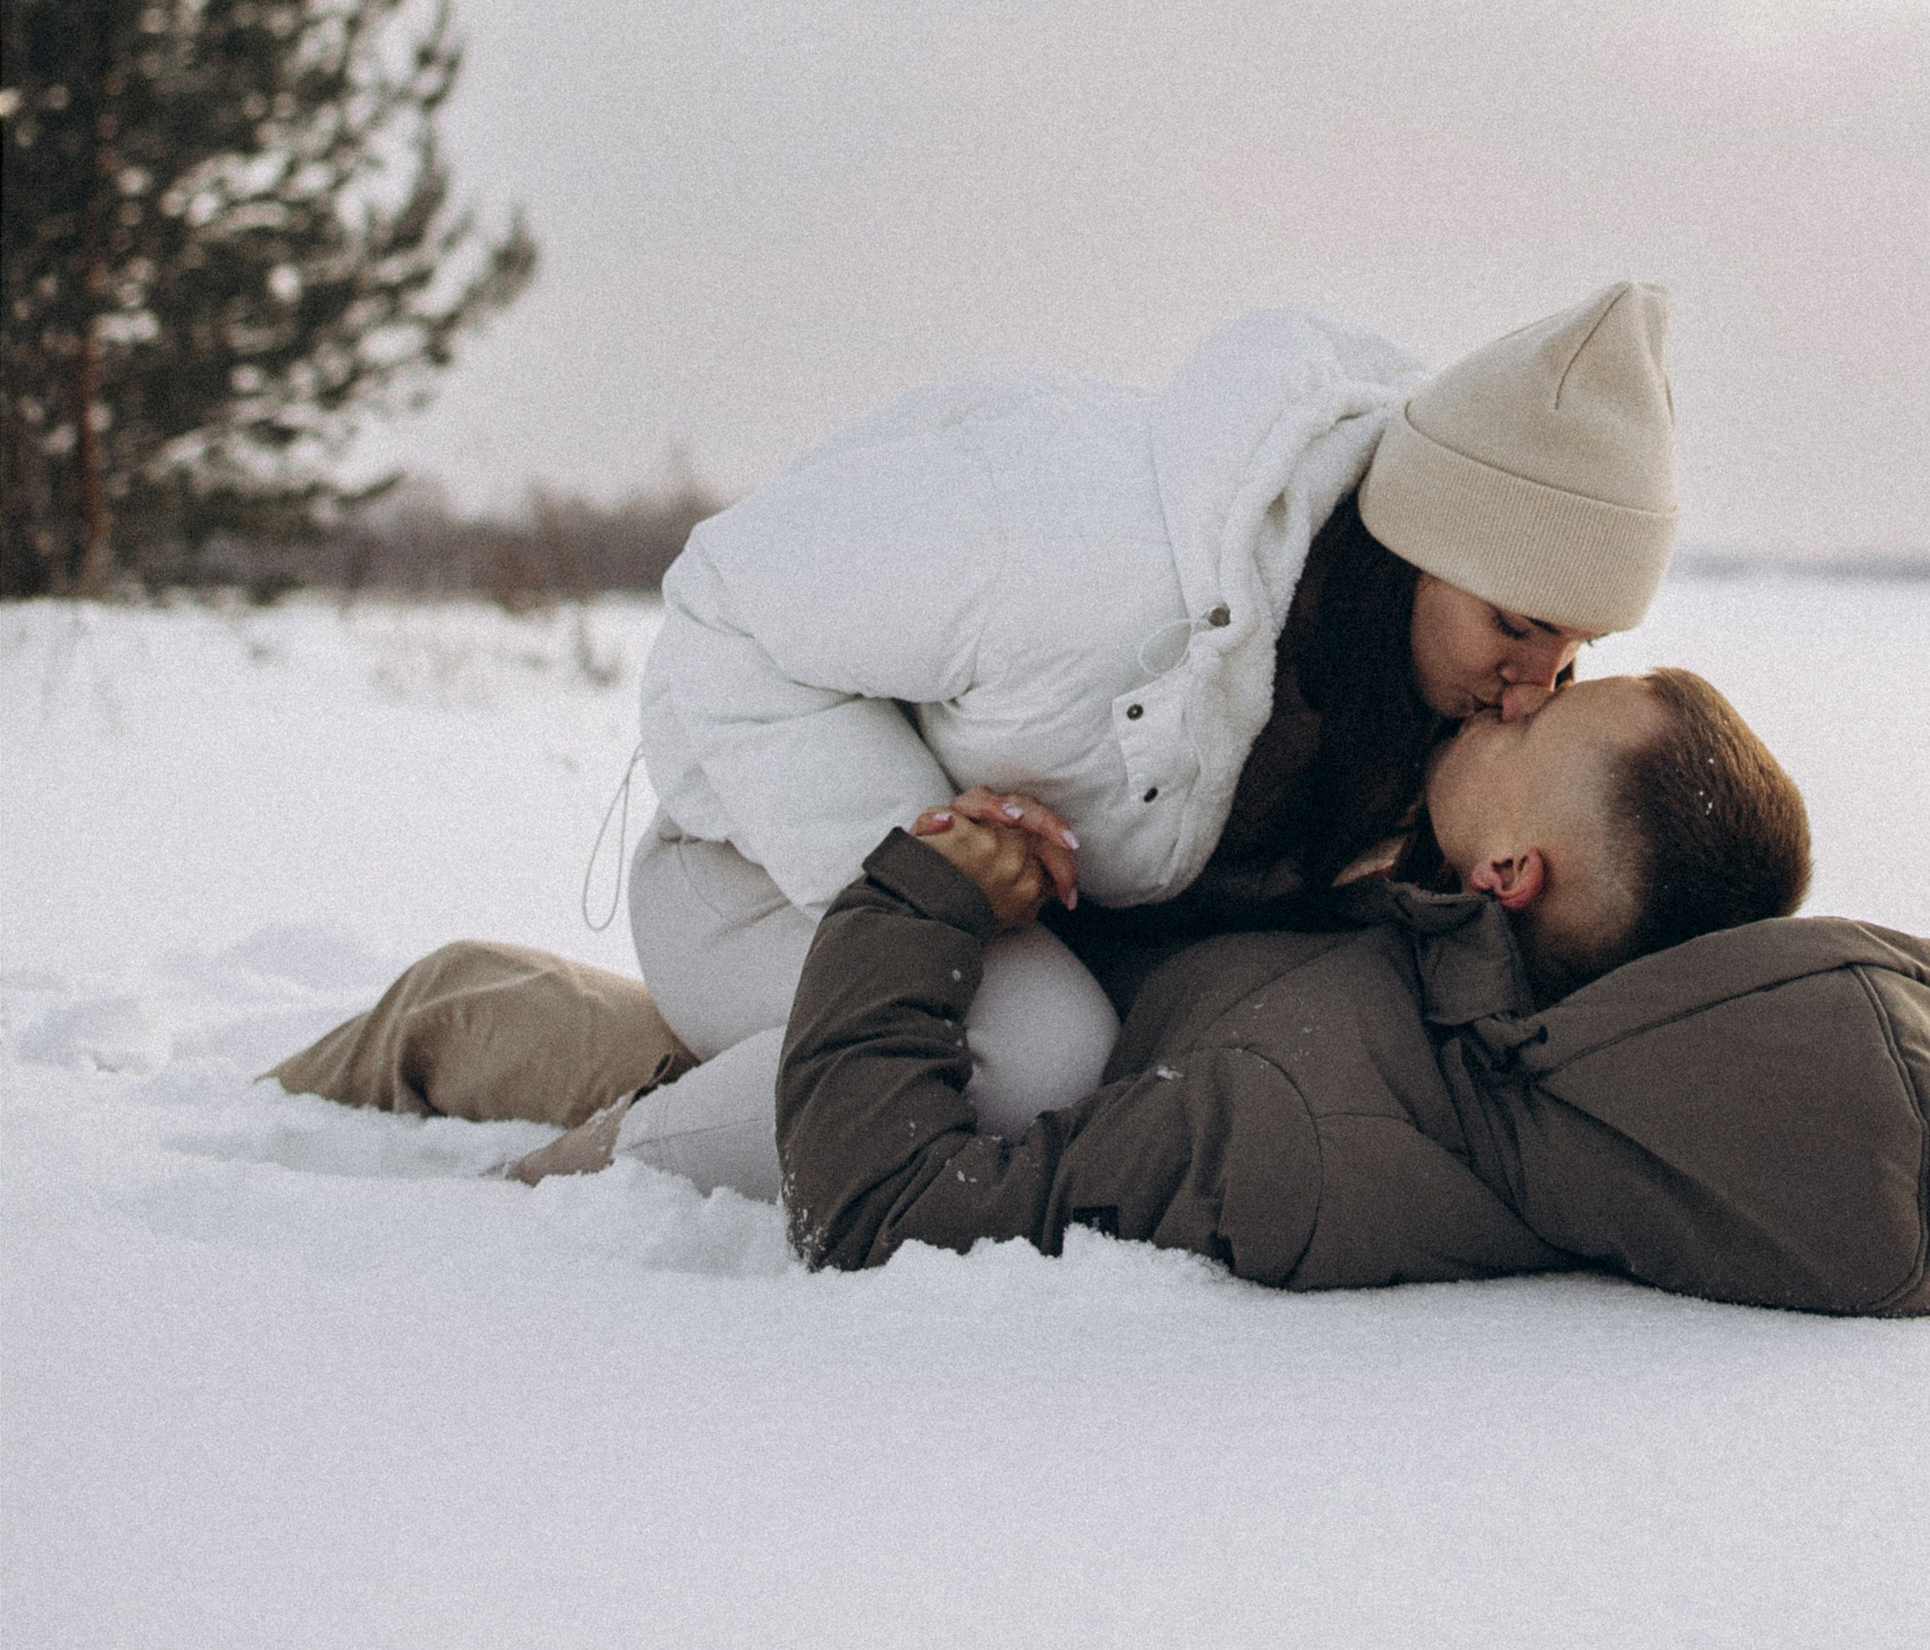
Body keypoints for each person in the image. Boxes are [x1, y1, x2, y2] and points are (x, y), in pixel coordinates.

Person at [271, 284, 1687, 1192]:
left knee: (1085, 1045)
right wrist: (919, 869)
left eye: (1575, 649)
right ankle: (580, 1188)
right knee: (1032, 1063)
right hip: (750, 866)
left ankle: (487, 1018)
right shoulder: (1077, 543)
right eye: (1520, 623)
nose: (1535, 683)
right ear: (1424, 541)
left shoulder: (1405, 696)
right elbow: (723, 610)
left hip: (991, 931)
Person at [774, 678, 1930, 1317]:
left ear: (1512, 873)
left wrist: (918, 904)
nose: (1520, 696)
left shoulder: (1301, 1129)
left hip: (871, 1056)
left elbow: (878, 1217)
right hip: (948, 980)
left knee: (650, 1084)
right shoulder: (1485, 975)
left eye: (1543, 723)